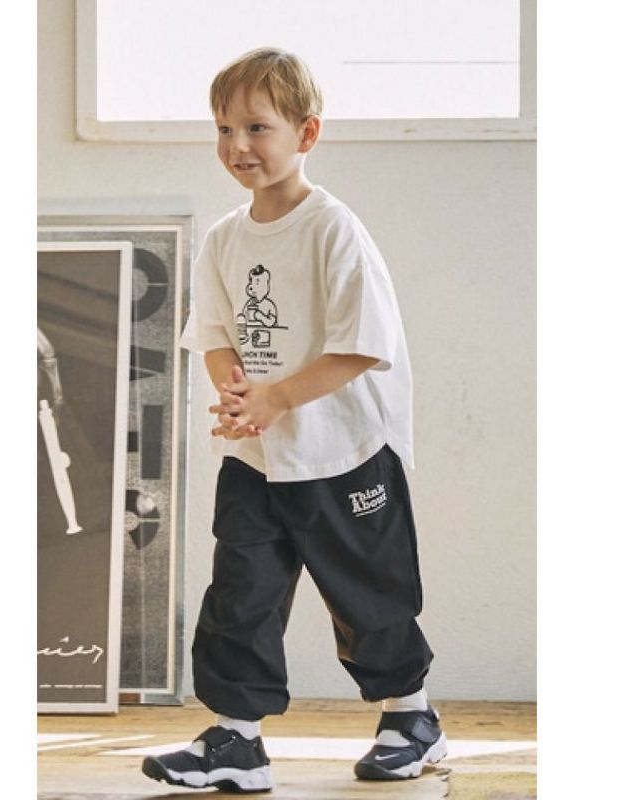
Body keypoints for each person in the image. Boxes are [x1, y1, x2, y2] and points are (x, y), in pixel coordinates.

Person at [142, 47, 446, 793]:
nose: (237, 145)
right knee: (240, 593)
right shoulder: (224, 238)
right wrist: (239, 396)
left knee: (367, 591)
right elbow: (215, 333)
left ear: (306, 133)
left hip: (345, 453)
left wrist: (277, 398)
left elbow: (363, 346)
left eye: (257, 127)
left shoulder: (332, 229)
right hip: (257, 460)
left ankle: (411, 718)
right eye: (224, 129)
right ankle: (236, 740)